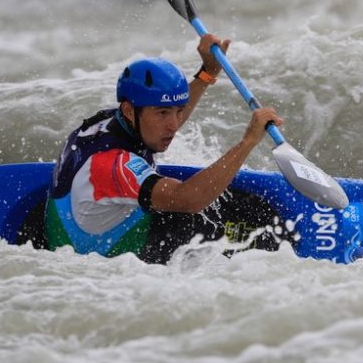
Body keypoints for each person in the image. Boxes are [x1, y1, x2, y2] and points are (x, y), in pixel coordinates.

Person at [42, 34, 291, 263]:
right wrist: (248, 141)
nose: (173, 125)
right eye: (162, 113)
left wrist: (206, 74)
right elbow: (189, 200)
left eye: (178, 111)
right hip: (103, 258)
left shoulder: (111, 122)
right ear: (130, 110)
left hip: (96, 227)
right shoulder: (113, 168)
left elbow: (162, 117)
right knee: (207, 210)